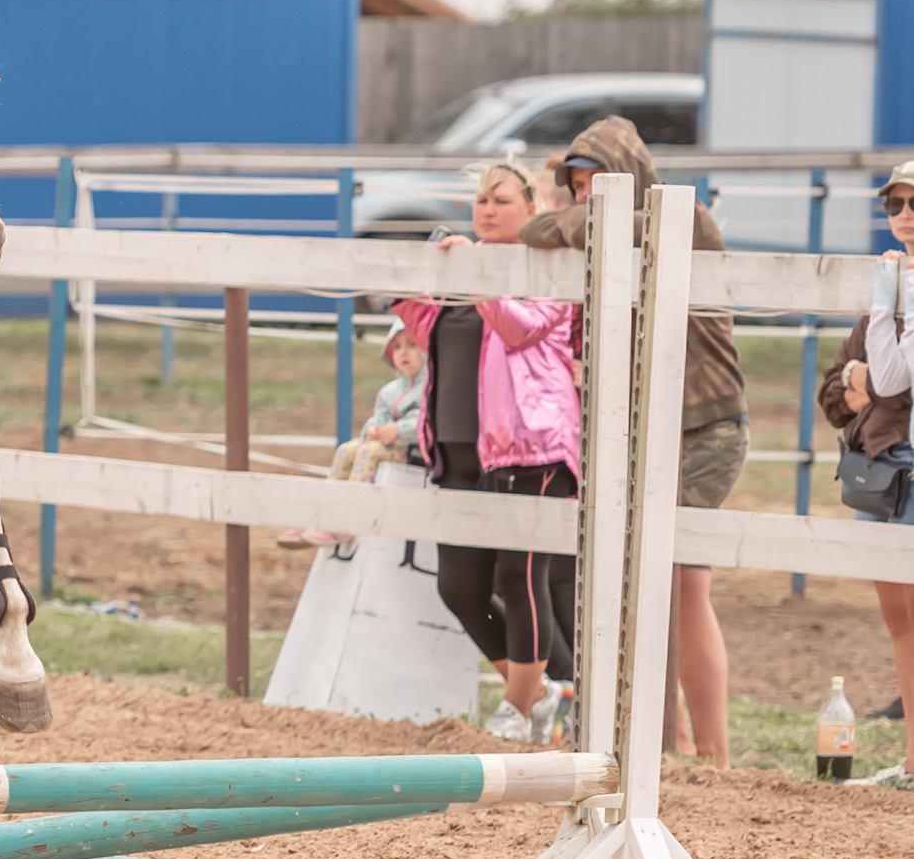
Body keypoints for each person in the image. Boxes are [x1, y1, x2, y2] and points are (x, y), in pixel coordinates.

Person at [521, 115, 741, 764]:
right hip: (642, 429)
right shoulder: (596, 225)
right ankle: (671, 740)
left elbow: (591, 226)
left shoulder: (683, 215)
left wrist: (571, 218)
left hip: (702, 425)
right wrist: (567, 217)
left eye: (597, 179)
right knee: (640, 581)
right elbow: (538, 230)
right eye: (577, 183)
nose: (586, 194)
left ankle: (711, 750)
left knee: (681, 582)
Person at [393, 161, 581, 743]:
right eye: (481, 201)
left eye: (501, 200)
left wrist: (475, 278)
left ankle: (519, 709)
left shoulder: (546, 268)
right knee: (458, 586)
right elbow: (428, 331)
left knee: (520, 576)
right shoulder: (463, 269)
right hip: (458, 449)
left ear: (531, 208)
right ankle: (539, 692)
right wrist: (417, 283)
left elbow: (522, 329)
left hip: (529, 446)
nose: (487, 210)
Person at [814, 159, 914, 787]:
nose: (904, 214)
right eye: (894, 204)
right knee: (900, 619)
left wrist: (866, 383)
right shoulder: (888, 287)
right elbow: (833, 394)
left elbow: (888, 385)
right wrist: (862, 381)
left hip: (902, 467)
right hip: (880, 473)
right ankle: (912, 758)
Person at [278, 321, 425, 550]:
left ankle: (349, 519)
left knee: (368, 452)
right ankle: (323, 516)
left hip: (415, 452)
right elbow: (378, 417)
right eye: (397, 347)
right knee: (346, 450)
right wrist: (374, 430)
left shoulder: (431, 388)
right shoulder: (389, 391)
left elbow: (427, 423)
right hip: (387, 447)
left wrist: (397, 431)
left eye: (412, 345)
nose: (403, 352)